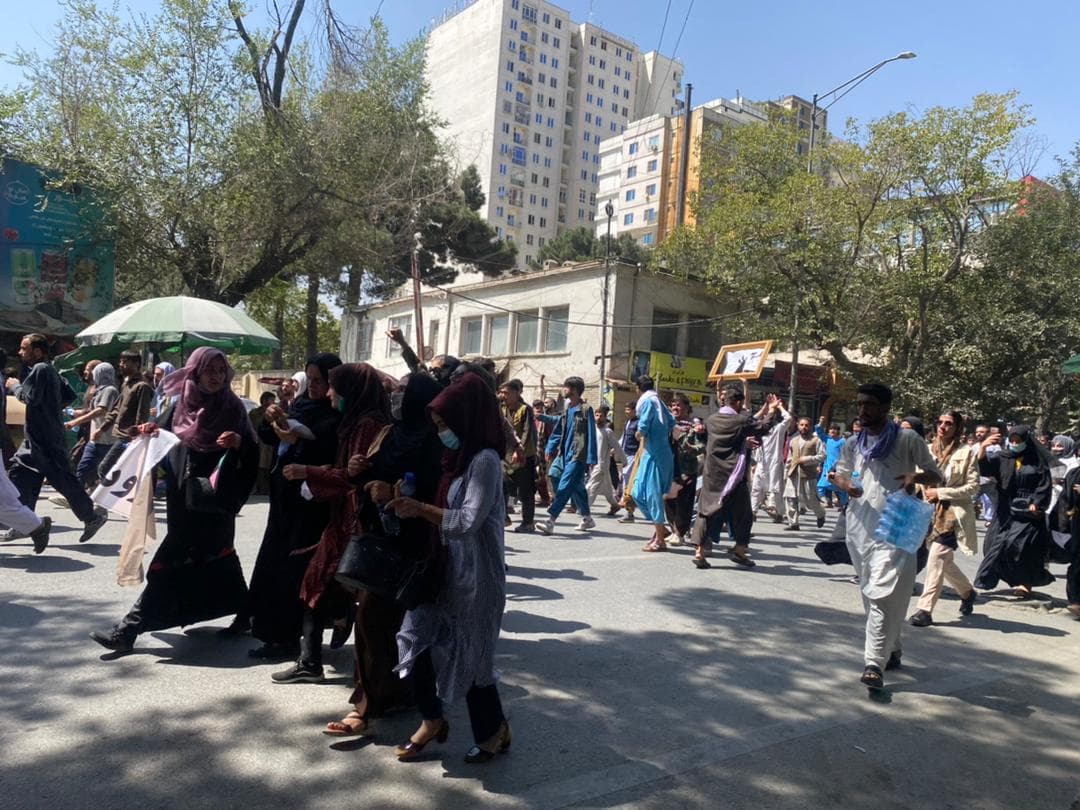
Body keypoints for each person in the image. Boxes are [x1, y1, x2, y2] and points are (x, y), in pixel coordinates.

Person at [89, 348, 259, 653]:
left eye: (221, 371)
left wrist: (239, 443)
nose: (217, 377)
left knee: (176, 561)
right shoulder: (181, 405)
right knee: (216, 558)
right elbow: (160, 434)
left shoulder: (232, 407)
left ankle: (127, 630)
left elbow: (253, 451)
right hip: (183, 498)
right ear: (195, 372)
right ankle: (246, 611)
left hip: (215, 500)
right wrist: (147, 430)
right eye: (210, 370)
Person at [387, 372, 511, 764]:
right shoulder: (455, 460)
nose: (442, 433)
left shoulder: (485, 461)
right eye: (438, 425)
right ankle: (432, 718)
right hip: (444, 569)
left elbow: (468, 521)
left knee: (474, 656)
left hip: (478, 576)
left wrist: (421, 509)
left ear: (466, 419)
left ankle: (492, 732)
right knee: (414, 635)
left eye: (446, 424)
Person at [320, 372, 446, 736]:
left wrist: (396, 493)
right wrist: (358, 472)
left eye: (405, 391)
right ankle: (368, 704)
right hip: (382, 542)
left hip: (418, 546)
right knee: (372, 621)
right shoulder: (389, 433)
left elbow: (438, 493)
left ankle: (393, 696)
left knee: (400, 625)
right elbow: (366, 479)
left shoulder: (436, 442)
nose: (396, 396)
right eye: (397, 390)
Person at [271, 363, 392, 684]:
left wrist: (309, 472)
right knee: (322, 584)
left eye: (333, 387)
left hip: (354, 522)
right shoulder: (358, 420)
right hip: (345, 518)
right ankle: (321, 649)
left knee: (319, 584)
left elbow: (353, 477)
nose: (328, 393)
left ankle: (316, 662)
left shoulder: (367, 424)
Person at [833, 383, 941, 690]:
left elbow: (936, 474)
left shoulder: (907, 439)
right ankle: (891, 648)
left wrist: (915, 476)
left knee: (880, 593)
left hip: (896, 526)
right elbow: (839, 473)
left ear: (884, 407)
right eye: (859, 404)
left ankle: (873, 664)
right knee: (869, 590)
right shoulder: (853, 442)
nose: (862, 410)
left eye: (868, 404)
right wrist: (845, 485)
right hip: (858, 526)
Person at [246, 354, 342, 660]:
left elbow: (326, 451)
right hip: (283, 501)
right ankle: (274, 635)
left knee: (297, 572)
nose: (313, 386)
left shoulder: (336, 412)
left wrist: (295, 437)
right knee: (274, 567)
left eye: (319, 380)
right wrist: (271, 418)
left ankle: (294, 636)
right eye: (309, 379)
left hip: (311, 506)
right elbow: (269, 438)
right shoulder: (300, 406)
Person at [3, 334, 108, 545]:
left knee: (62, 479)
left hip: (45, 439)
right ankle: (27, 524)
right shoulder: (49, 369)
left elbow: (29, 398)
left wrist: (15, 386)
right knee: (21, 474)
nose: (20, 352)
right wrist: (50, 408)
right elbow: (68, 396)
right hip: (37, 437)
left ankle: (91, 516)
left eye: (24, 348)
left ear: (37, 351)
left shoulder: (40, 369)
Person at [691, 385, 780, 569]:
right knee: (744, 515)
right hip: (733, 476)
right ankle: (740, 551)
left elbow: (706, 439)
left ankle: (699, 552)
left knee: (705, 511)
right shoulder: (740, 420)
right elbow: (762, 427)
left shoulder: (711, 419)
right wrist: (771, 410)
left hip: (712, 474)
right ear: (738, 403)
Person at [908, 410, 980, 627]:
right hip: (927, 511)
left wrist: (941, 493)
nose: (943, 427)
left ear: (957, 428)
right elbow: (917, 479)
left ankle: (924, 610)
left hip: (952, 514)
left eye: (948, 423)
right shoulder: (927, 449)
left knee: (936, 557)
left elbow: (973, 487)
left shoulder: (966, 453)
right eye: (940, 422)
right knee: (943, 562)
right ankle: (967, 592)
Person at [973, 425, 1055, 597]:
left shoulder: (1037, 460)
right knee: (993, 544)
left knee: (1021, 547)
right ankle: (991, 578)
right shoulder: (1002, 457)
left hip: (1028, 511)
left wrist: (1037, 503)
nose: (1015, 444)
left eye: (1018, 441)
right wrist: (983, 448)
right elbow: (984, 468)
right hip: (1005, 508)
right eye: (1012, 440)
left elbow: (1044, 484)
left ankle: (1026, 583)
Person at [535, 377, 596, 535]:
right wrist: (550, 446)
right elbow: (559, 425)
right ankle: (587, 518)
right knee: (557, 476)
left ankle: (550, 521)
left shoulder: (586, 409)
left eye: (566, 387)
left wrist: (591, 458)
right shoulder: (568, 408)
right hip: (563, 454)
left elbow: (591, 433)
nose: (563, 389)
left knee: (565, 486)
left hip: (577, 455)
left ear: (574, 390)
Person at [630, 376, 676, 552]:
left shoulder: (649, 402)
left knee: (652, 495)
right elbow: (671, 421)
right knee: (636, 492)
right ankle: (661, 528)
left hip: (657, 454)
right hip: (650, 453)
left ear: (638, 388)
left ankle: (660, 540)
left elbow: (643, 425)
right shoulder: (657, 401)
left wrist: (640, 433)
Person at [94, 350, 154, 482]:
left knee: (105, 468)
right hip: (120, 435)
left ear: (136, 364)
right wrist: (102, 429)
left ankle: (108, 493)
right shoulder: (126, 384)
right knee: (116, 470)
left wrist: (136, 438)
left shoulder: (142, 387)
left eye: (125, 362)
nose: (121, 365)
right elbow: (116, 409)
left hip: (129, 438)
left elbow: (142, 416)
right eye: (120, 361)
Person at [65, 362, 120, 489]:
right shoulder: (99, 390)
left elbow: (101, 410)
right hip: (95, 440)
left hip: (108, 440)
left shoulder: (110, 390)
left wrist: (75, 422)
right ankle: (75, 495)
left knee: (106, 472)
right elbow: (91, 411)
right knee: (82, 468)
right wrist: (75, 414)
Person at [499, 379, 538, 533]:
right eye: (501, 392)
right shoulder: (501, 408)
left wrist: (518, 449)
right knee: (502, 483)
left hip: (524, 456)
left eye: (506, 393)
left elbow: (527, 432)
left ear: (516, 393)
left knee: (526, 489)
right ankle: (504, 516)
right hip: (506, 456)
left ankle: (528, 522)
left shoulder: (525, 409)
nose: (503, 395)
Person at [666, 396, 705, 546]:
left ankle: (680, 533)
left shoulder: (695, 425)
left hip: (687, 469)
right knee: (668, 500)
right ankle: (674, 530)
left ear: (687, 407)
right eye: (673, 405)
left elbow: (701, 446)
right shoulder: (669, 424)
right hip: (669, 468)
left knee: (684, 502)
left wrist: (690, 448)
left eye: (678, 405)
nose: (675, 408)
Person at [750, 398, 793, 522]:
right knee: (756, 487)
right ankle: (753, 511)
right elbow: (751, 420)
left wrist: (779, 407)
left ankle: (777, 511)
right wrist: (764, 409)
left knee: (775, 489)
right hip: (761, 463)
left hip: (774, 462)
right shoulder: (759, 432)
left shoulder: (778, 430)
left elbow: (788, 418)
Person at [784, 417, 827, 531]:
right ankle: (793, 523)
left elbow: (822, 456)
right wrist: (786, 472)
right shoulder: (794, 440)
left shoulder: (816, 440)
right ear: (798, 426)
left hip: (808, 475)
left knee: (811, 500)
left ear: (811, 427)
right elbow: (790, 458)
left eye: (806, 425)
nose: (804, 427)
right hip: (793, 473)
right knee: (790, 498)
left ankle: (821, 514)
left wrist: (807, 459)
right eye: (801, 425)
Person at [586, 405, 627, 513]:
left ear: (605, 418)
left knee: (591, 486)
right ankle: (615, 505)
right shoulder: (592, 430)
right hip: (593, 463)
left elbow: (617, 447)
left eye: (601, 416)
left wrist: (624, 460)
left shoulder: (607, 432)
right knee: (608, 489)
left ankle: (585, 508)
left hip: (602, 464)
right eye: (596, 415)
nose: (598, 418)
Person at [248, 391, 277, 496]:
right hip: (258, 442)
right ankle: (258, 487)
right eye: (271, 400)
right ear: (264, 400)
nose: (273, 402)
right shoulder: (254, 413)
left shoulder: (274, 413)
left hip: (270, 444)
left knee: (268, 466)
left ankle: (266, 488)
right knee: (259, 466)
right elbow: (251, 427)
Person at [616, 403, 641, 522]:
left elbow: (640, 440)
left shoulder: (639, 423)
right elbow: (624, 438)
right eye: (625, 409)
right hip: (626, 454)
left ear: (634, 411)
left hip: (633, 454)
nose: (626, 412)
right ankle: (628, 509)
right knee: (626, 479)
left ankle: (628, 508)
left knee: (628, 480)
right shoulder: (628, 422)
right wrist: (616, 448)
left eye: (628, 410)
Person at [1063, 461, 1080, 620]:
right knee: (1077, 563)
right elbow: (1066, 499)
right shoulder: (1074, 473)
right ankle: (1076, 601)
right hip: (1077, 523)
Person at [817, 423, 848, 510]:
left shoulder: (842, 441)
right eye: (831, 429)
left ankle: (844, 504)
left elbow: (844, 455)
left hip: (838, 468)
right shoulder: (827, 440)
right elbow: (819, 432)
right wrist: (820, 423)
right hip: (827, 468)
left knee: (840, 488)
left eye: (834, 429)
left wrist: (837, 465)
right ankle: (825, 501)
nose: (832, 431)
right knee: (820, 486)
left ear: (838, 431)